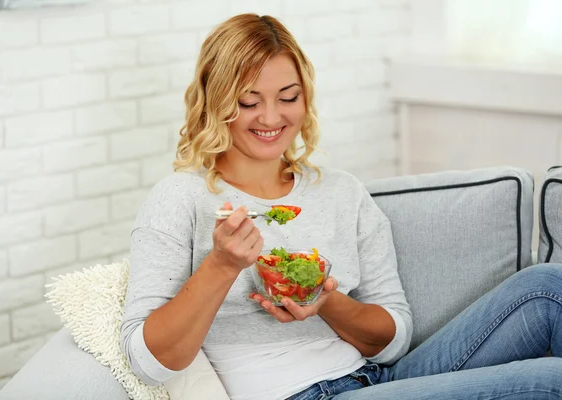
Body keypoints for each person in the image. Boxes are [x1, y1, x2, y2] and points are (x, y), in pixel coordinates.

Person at [120, 13, 562, 400]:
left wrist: (324, 300)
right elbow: (148, 361)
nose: (272, 119)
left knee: (547, 286)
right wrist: (221, 266)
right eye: (248, 102)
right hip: (292, 394)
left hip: (377, 379)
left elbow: (392, 340)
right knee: (552, 380)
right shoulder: (182, 199)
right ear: (216, 103)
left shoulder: (341, 193)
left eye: (288, 98)